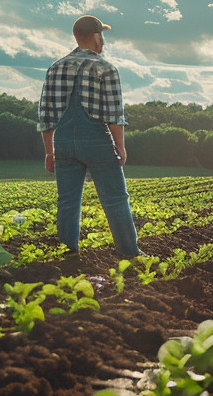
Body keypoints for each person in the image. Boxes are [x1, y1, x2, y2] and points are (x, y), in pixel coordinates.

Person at [37, 15, 139, 257]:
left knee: (67, 202)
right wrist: (120, 147)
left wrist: (50, 151)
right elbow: (114, 114)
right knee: (115, 199)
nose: (102, 40)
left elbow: (46, 115)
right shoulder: (106, 68)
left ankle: (68, 254)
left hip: (63, 142)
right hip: (96, 141)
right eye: (101, 34)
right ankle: (129, 253)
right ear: (95, 36)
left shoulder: (55, 67)